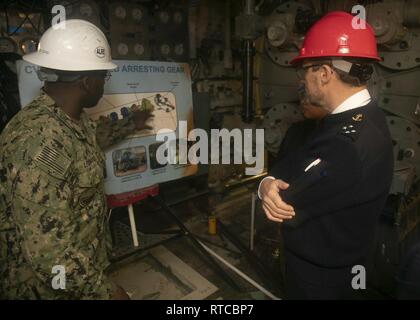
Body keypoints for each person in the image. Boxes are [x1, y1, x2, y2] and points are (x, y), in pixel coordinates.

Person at [0, 20, 152, 299]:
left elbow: (89, 139)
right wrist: (107, 292)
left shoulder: (65, 118)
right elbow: (50, 254)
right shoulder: (38, 145)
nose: (103, 84)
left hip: (76, 273)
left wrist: (131, 124)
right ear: (87, 82)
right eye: (103, 78)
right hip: (45, 289)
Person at [259, 11, 394, 299]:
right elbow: (293, 164)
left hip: (319, 279)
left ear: (324, 74)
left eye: (305, 70)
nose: (303, 80)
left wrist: (267, 186)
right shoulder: (365, 118)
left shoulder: (346, 144)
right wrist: (268, 181)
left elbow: (283, 201)